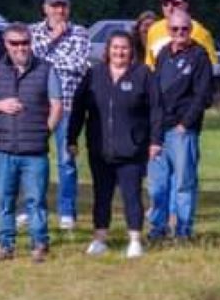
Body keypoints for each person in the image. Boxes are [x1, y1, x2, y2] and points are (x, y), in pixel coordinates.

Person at [68, 31, 160, 259]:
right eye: (115, 48)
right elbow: (78, 109)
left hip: (132, 148)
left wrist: (155, 140)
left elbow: (157, 110)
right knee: (101, 195)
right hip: (100, 148)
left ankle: (135, 241)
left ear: (132, 52)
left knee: (132, 195)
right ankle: (99, 239)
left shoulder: (143, 75)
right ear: (107, 51)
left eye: (125, 48)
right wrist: (71, 138)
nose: (120, 52)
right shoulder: (93, 75)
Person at [0, 22, 63, 263]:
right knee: (5, 201)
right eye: (15, 43)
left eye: (25, 43)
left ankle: (39, 244)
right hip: (4, 149)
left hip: (35, 151)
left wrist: (46, 130)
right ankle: (5, 246)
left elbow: (57, 105)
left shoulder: (46, 69)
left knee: (36, 200)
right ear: (6, 44)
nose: (21, 48)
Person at [29, 0, 91, 231]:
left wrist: (47, 62)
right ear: (45, 8)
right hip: (37, 106)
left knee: (66, 161)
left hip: (67, 106)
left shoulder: (81, 33)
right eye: (54, 6)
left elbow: (78, 65)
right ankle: (31, 206)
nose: (59, 10)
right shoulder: (32, 31)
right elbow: (27, 59)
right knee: (32, 159)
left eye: (63, 6)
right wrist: (54, 38)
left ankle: (66, 211)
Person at [149, 7, 212, 242]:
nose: (180, 33)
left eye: (185, 29)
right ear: (168, 29)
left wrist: (185, 125)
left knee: (184, 184)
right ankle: (157, 229)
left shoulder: (199, 56)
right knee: (158, 186)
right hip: (158, 130)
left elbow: (203, 95)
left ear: (191, 30)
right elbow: (155, 90)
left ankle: (183, 231)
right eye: (175, 29)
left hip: (182, 131)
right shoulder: (163, 53)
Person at [144, 0, 218, 67]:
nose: (170, 8)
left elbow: (212, 67)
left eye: (175, 3)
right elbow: (149, 64)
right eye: (165, 4)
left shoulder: (200, 32)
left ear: (186, 5)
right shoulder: (154, 29)